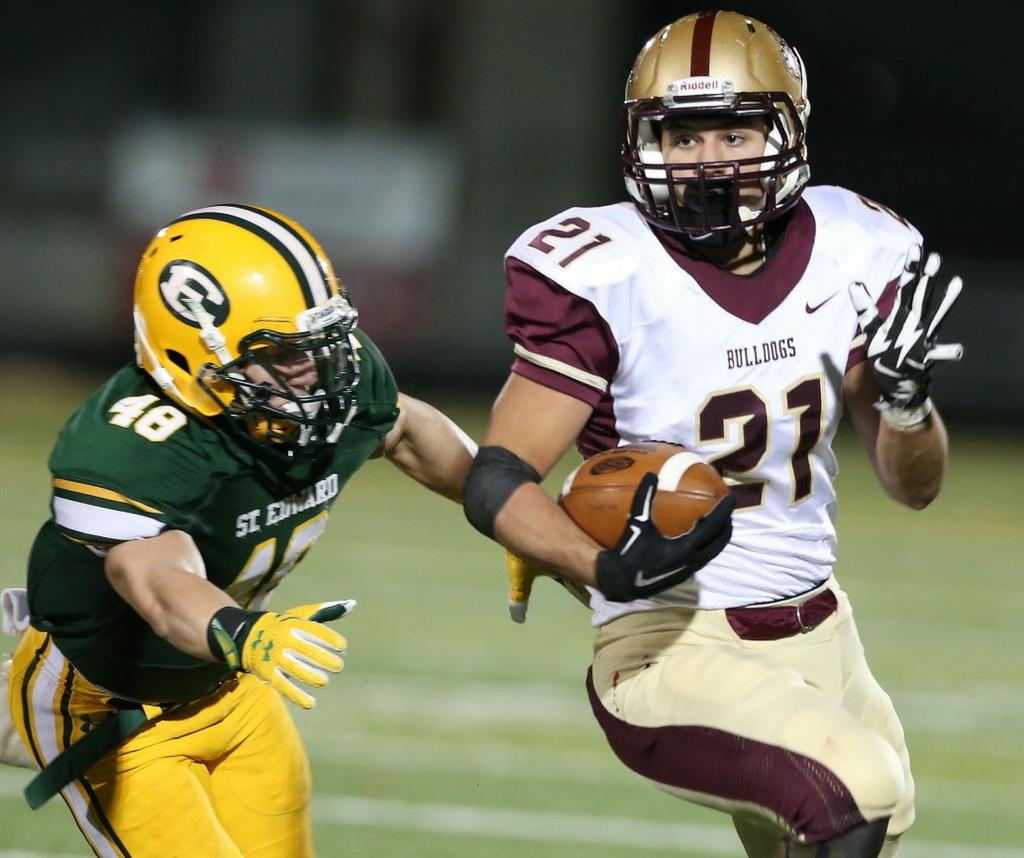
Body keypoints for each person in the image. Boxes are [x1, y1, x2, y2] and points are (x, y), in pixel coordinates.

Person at [463, 11, 963, 858]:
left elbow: (915, 487)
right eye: (682, 136)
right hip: (671, 644)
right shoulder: (605, 268)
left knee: (878, 808)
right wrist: (601, 568)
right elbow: (498, 479)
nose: (710, 160)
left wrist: (908, 404)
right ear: (642, 143)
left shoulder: (855, 243)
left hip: (823, 629)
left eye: (735, 131)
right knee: (857, 792)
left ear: (787, 132)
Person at [1, 203, 475, 857]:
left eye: (322, 343)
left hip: (228, 686)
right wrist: (245, 634)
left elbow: (407, 428)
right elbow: (156, 580)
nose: (320, 369)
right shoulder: (140, 440)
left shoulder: (333, 380)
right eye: (284, 352)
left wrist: (507, 511)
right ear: (194, 352)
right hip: (109, 703)